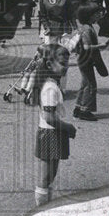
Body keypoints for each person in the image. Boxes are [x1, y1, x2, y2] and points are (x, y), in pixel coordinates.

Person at [30, 43, 78, 206]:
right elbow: (49, 117)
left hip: (53, 132)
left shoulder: (52, 83)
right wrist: (68, 127)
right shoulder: (50, 88)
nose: (66, 68)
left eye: (67, 64)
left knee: (51, 174)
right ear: (50, 65)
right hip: (50, 133)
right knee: (46, 175)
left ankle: (45, 203)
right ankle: (40, 207)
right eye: (62, 64)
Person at [69, 3, 108, 122]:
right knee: (91, 85)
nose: (99, 15)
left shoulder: (88, 27)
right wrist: (100, 46)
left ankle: (78, 107)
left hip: (84, 59)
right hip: (86, 59)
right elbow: (86, 47)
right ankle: (85, 110)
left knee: (85, 84)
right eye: (96, 14)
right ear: (89, 16)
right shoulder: (87, 28)